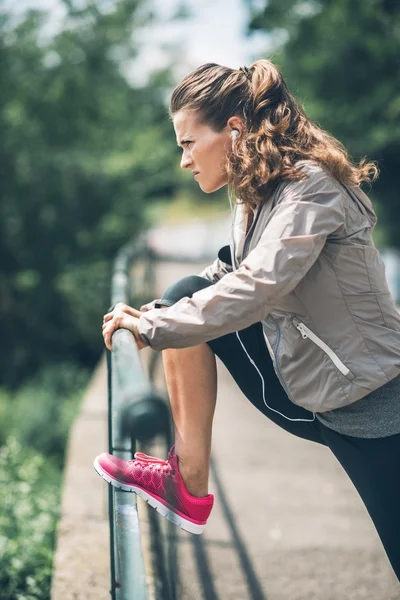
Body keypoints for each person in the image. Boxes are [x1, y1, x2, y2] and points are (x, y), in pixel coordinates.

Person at [94, 60, 400, 578]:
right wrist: (153, 314)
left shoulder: (310, 187)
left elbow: (259, 285)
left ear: (234, 130)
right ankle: (185, 482)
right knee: (182, 294)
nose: (184, 161)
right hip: (316, 389)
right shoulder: (258, 191)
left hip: (373, 405)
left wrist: (152, 329)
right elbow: (230, 270)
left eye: (189, 144)